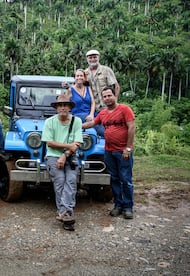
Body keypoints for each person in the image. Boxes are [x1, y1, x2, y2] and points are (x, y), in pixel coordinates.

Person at [82, 87, 135, 219]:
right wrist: (77, 125)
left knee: (126, 179)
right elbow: (93, 123)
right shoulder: (103, 113)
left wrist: (128, 148)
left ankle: (128, 207)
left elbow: (132, 127)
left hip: (123, 151)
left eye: (109, 95)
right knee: (114, 179)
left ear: (114, 95)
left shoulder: (124, 109)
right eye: (104, 96)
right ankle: (118, 205)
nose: (107, 98)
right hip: (109, 151)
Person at [41, 94, 83, 231]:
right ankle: (67, 214)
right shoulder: (50, 122)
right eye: (60, 105)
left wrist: (65, 155)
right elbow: (49, 143)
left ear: (70, 107)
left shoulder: (76, 121)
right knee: (60, 181)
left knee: (71, 181)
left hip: (70, 156)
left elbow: (76, 144)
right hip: (53, 156)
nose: (63, 108)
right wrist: (68, 146)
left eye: (66, 105)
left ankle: (64, 213)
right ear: (56, 108)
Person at [85, 49, 120, 137]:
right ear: (87, 59)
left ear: (98, 58)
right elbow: (79, 86)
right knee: (99, 131)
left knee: (112, 129)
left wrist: (115, 102)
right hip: (94, 109)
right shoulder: (85, 73)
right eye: (90, 57)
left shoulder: (106, 70)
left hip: (107, 106)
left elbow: (116, 86)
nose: (93, 59)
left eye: (94, 57)